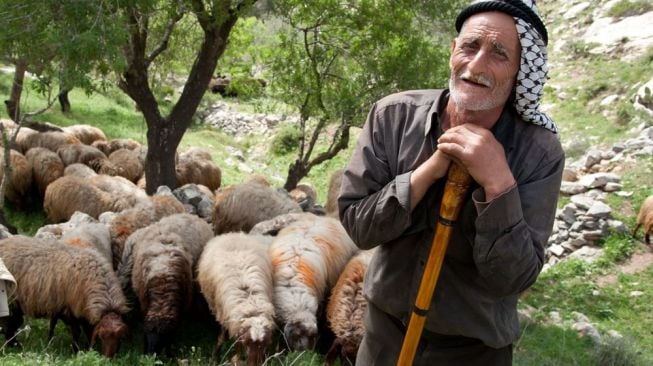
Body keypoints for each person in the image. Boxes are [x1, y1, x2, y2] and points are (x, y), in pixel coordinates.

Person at [338, 0, 564, 365]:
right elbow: (359, 228)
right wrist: (428, 171)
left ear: (521, 72)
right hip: (383, 338)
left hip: (473, 352)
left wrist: (498, 183)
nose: (476, 66)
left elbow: (514, 278)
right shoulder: (393, 116)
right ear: (453, 50)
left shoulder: (539, 152)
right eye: (470, 46)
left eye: (499, 54)